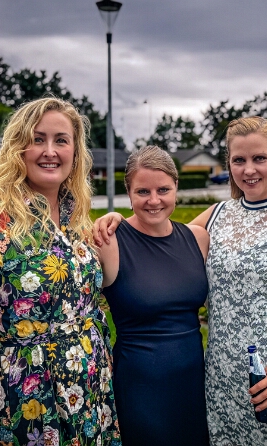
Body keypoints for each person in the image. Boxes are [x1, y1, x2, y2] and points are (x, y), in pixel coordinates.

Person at [94, 117, 267, 445]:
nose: (249, 169)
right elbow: (159, 244)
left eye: (259, 158)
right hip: (219, 386)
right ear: (229, 164)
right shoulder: (216, 216)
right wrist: (118, 221)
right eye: (239, 160)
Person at [0, 98, 122, 445]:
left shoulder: (77, 221)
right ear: (18, 148)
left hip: (91, 394)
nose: (50, 151)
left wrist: (118, 220)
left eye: (61, 140)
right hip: (30, 398)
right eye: (37, 139)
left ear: (75, 152)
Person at [97, 145, 210, 445]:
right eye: (142, 192)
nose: (154, 200)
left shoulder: (198, 238)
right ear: (129, 193)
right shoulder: (109, 240)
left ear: (176, 187)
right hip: (141, 386)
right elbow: (68, 295)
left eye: (163, 190)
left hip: (193, 382)